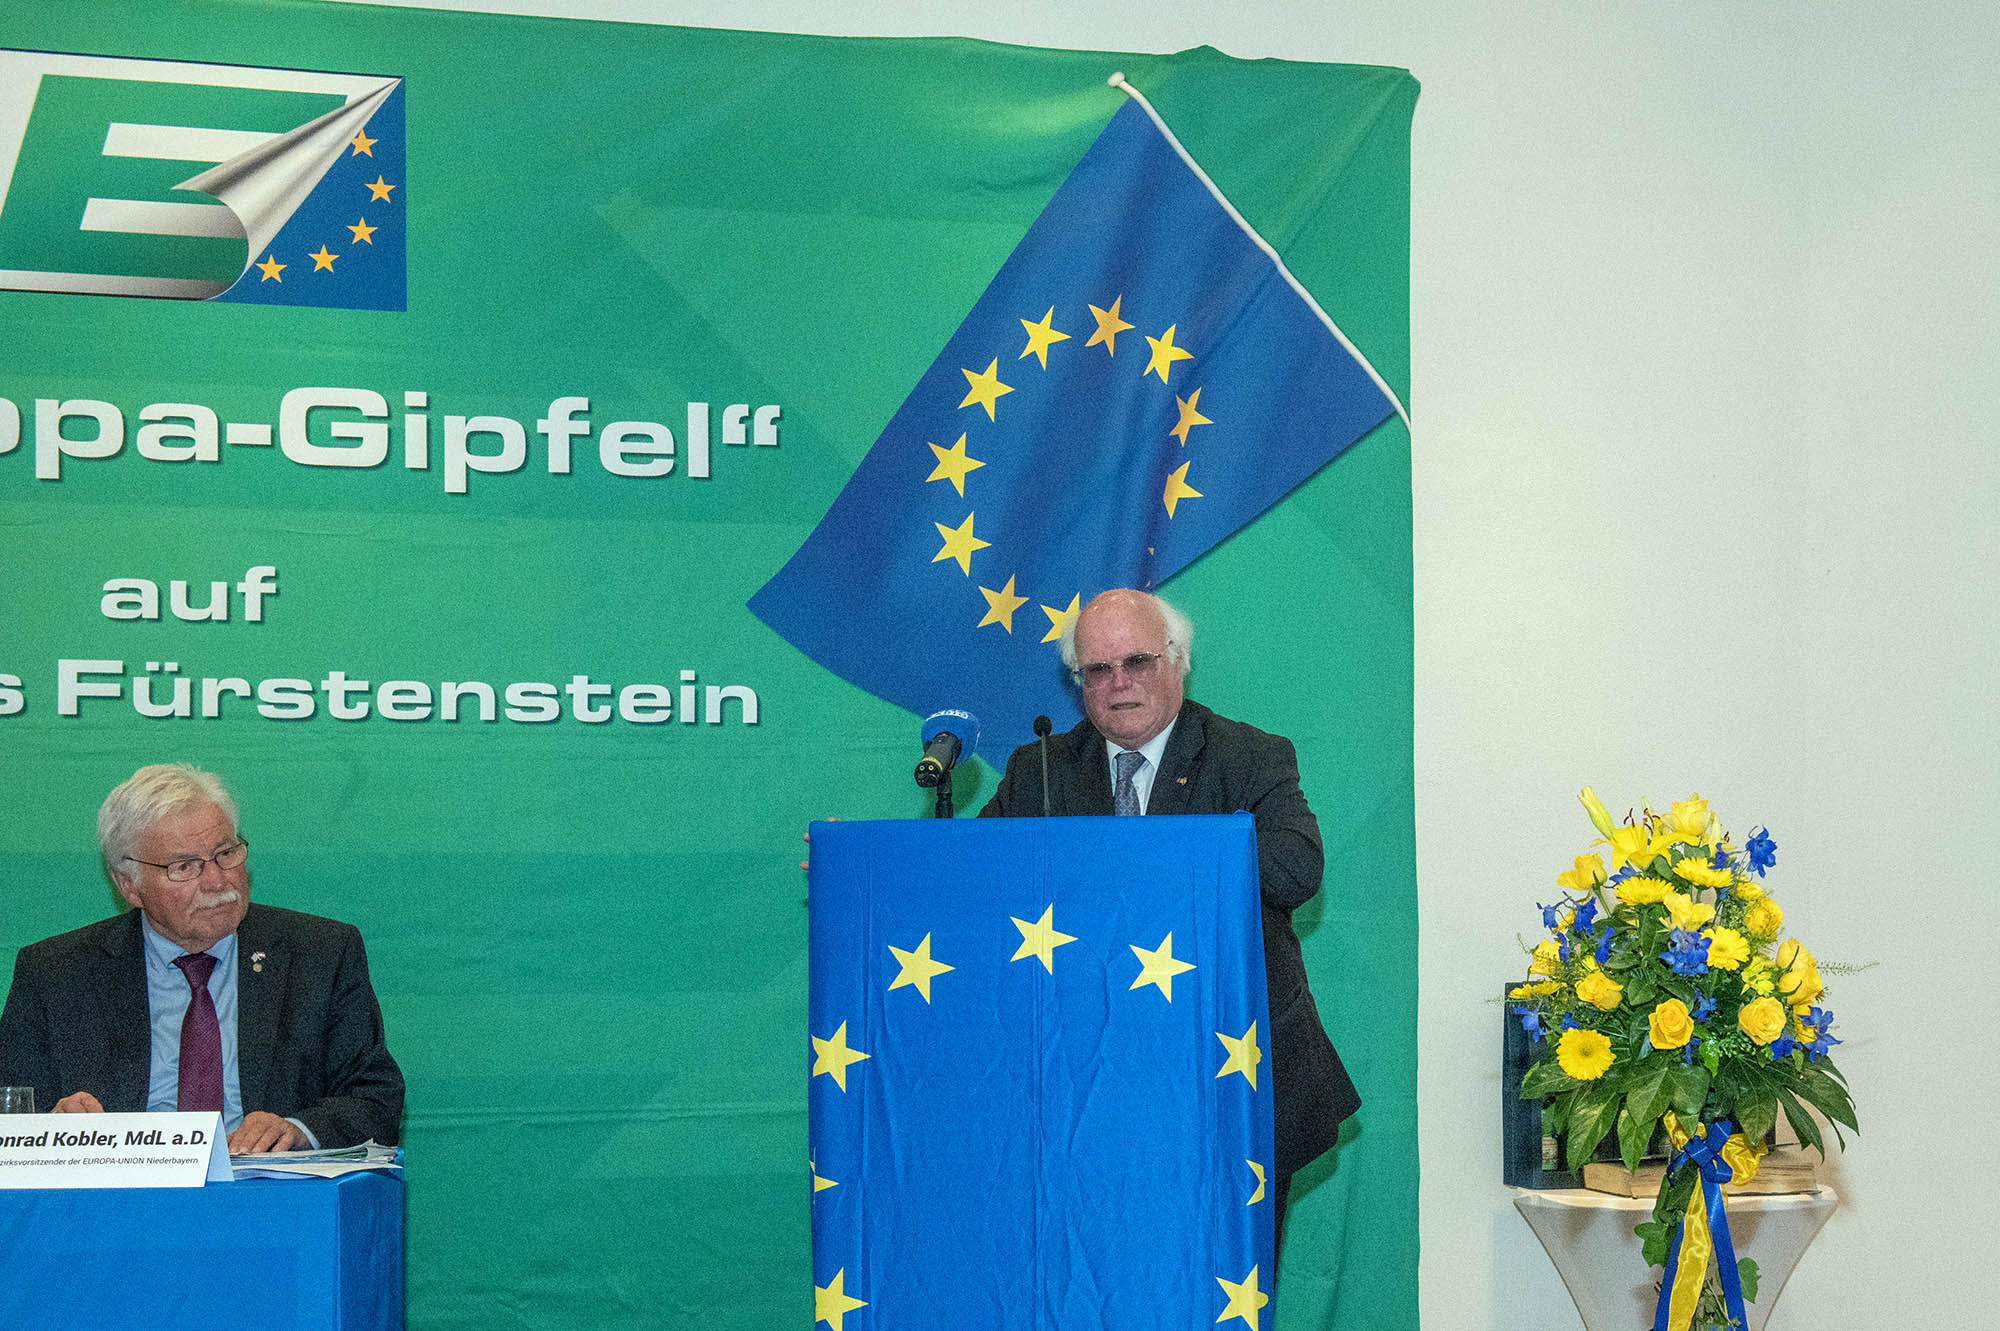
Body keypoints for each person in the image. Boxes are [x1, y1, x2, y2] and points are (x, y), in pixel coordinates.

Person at [980, 588, 1359, 1256]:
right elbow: (970, 879)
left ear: (1177, 660)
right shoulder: (1038, 770)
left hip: (1226, 1075)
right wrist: (861, 870)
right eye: (1098, 670)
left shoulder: (1250, 756)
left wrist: (1160, 858)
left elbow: (1296, 869)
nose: (1119, 682)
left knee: (1222, 1282)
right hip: (1088, 1084)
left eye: (1137, 661)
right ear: (1078, 683)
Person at [0, 763, 404, 1152]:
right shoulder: (56, 973)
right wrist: (50, 1128)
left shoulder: (319, 954)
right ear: (129, 886)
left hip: (269, 1187)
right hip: (122, 1189)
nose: (217, 880)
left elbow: (375, 1099)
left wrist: (297, 1131)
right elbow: (12, 1107)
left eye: (226, 853)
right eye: (184, 866)